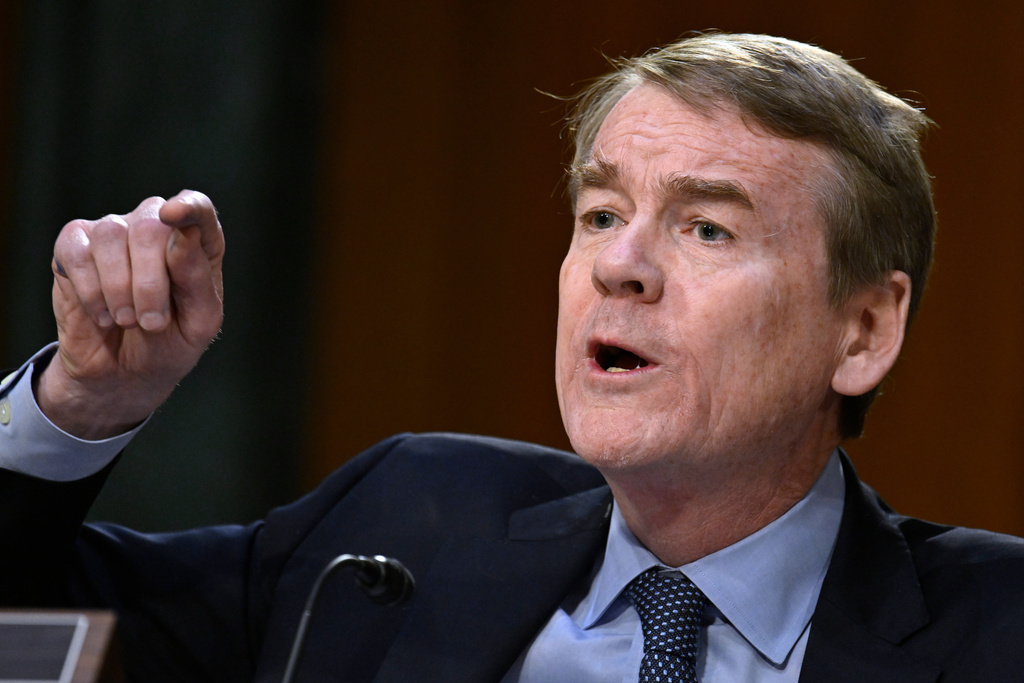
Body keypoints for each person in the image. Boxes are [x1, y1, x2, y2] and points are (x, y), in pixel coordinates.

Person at [2, 32, 1023, 682]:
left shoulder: (995, 627)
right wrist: (85, 400)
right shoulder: (401, 527)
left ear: (864, 331)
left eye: (706, 228)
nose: (618, 265)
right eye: (599, 211)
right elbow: (30, 620)